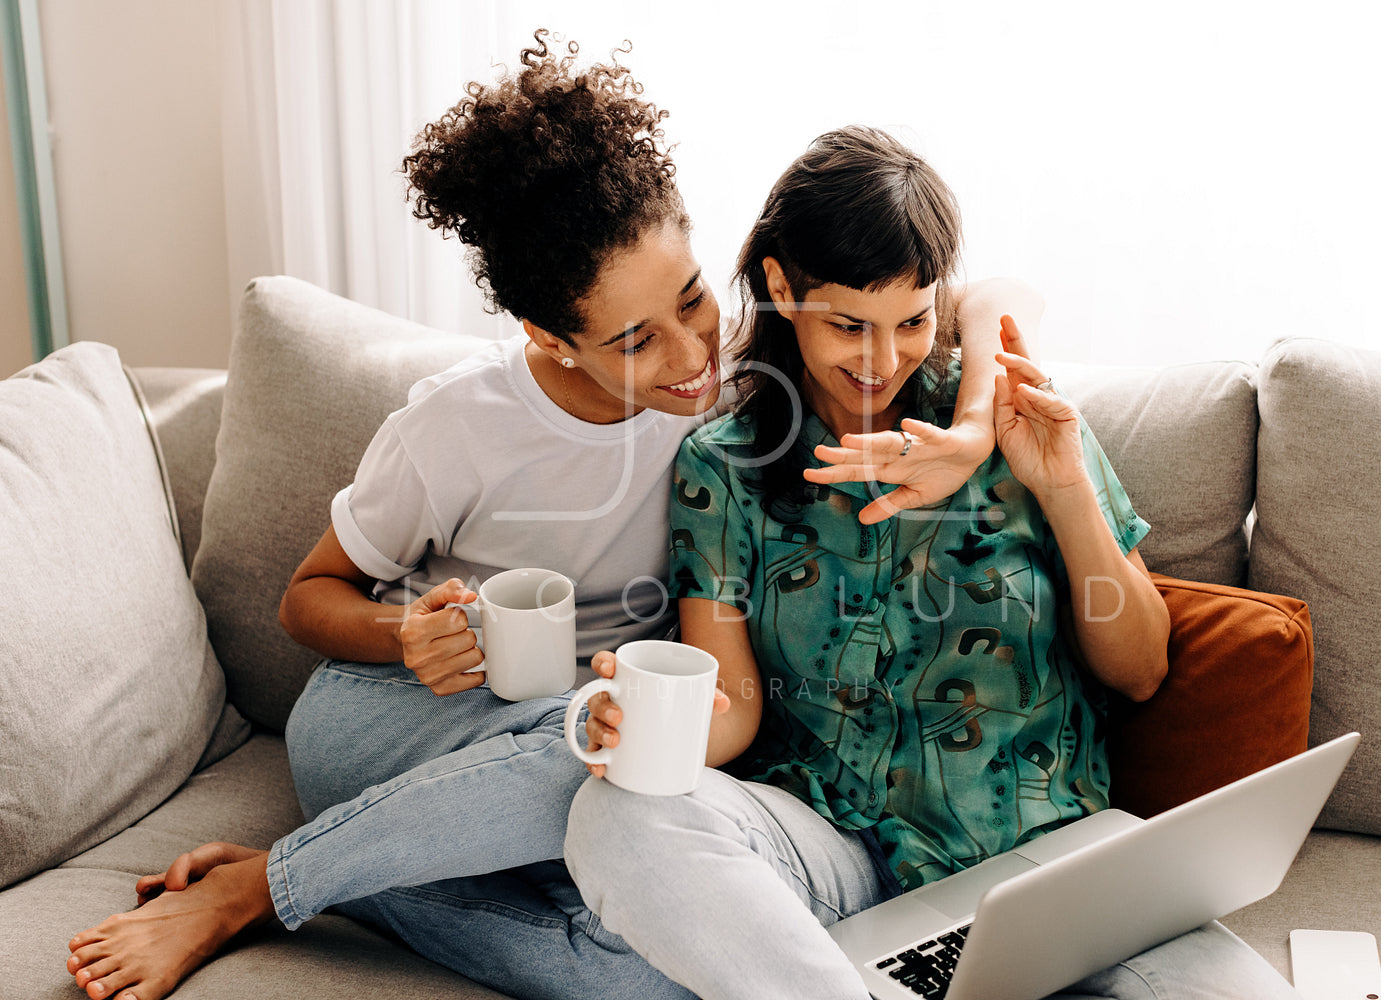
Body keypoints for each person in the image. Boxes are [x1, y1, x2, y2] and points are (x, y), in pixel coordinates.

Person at [62, 36, 1036, 1000]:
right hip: (395, 722)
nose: (691, 353)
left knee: (655, 946)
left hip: (562, 745)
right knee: (591, 752)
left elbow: (987, 293)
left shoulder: (747, 368)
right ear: (550, 338)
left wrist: (970, 422)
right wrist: (407, 635)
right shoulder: (455, 427)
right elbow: (305, 600)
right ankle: (268, 889)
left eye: (693, 300)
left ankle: (359, 888)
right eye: (634, 340)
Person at [564, 126, 1303, 999]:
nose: (881, 362)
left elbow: (1140, 670)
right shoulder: (723, 470)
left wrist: (1062, 488)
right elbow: (738, 710)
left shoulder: (1014, 417)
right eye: (847, 326)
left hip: (1046, 863)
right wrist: (660, 725)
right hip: (836, 857)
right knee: (615, 819)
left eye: (910, 323)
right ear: (780, 289)